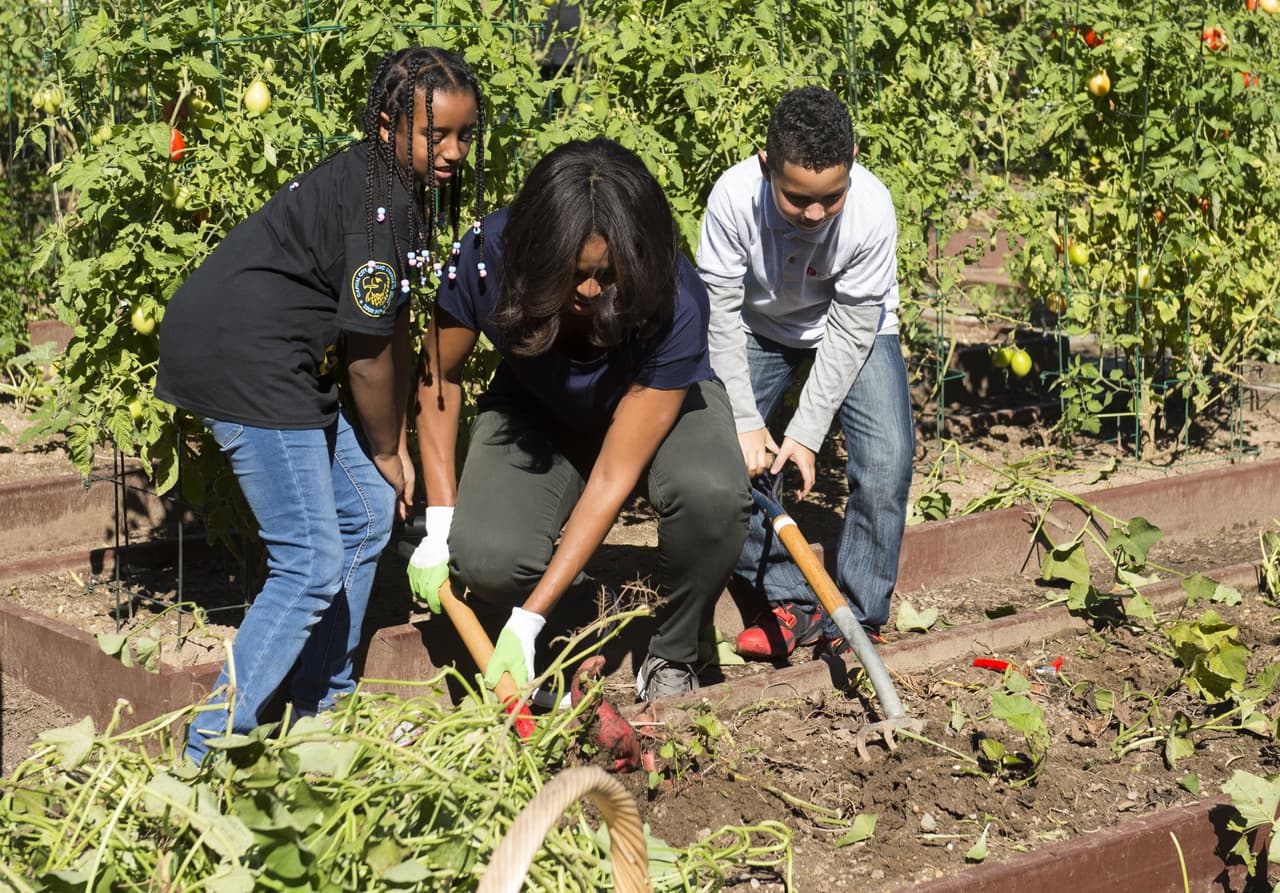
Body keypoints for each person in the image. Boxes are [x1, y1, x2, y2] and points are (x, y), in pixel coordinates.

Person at [156, 47, 486, 762]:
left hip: (266, 349)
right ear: (387, 125)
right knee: (308, 562)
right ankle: (205, 750)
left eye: (465, 134)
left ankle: (319, 707)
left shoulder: (391, 189)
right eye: (437, 135)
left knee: (365, 510)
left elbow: (391, 326)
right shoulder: (378, 211)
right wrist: (388, 447)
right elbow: (366, 356)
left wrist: (392, 448)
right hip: (246, 357)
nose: (455, 151)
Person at [406, 137, 750, 702]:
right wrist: (440, 525)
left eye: (607, 275)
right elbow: (437, 377)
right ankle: (586, 615)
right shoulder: (488, 256)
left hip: (657, 406)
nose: (589, 290)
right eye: (575, 272)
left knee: (712, 495)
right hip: (537, 407)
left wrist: (527, 618)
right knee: (488, 559)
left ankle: (673, 650)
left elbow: (614, 473)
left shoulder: (675, 294)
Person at [695, 85, 914, 659]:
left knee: (887, 459)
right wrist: (744, 421)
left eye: (831, 198)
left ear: (853, 162)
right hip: (757, 325)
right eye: (796, 199)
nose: (815, 214)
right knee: (714, 455)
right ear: (766, 165)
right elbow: (718, 315)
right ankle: (793, 598)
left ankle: (860, 619)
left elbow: (852, 327)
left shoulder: (871, 209)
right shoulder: (733, 199)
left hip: (855, 326)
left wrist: (806, 432)